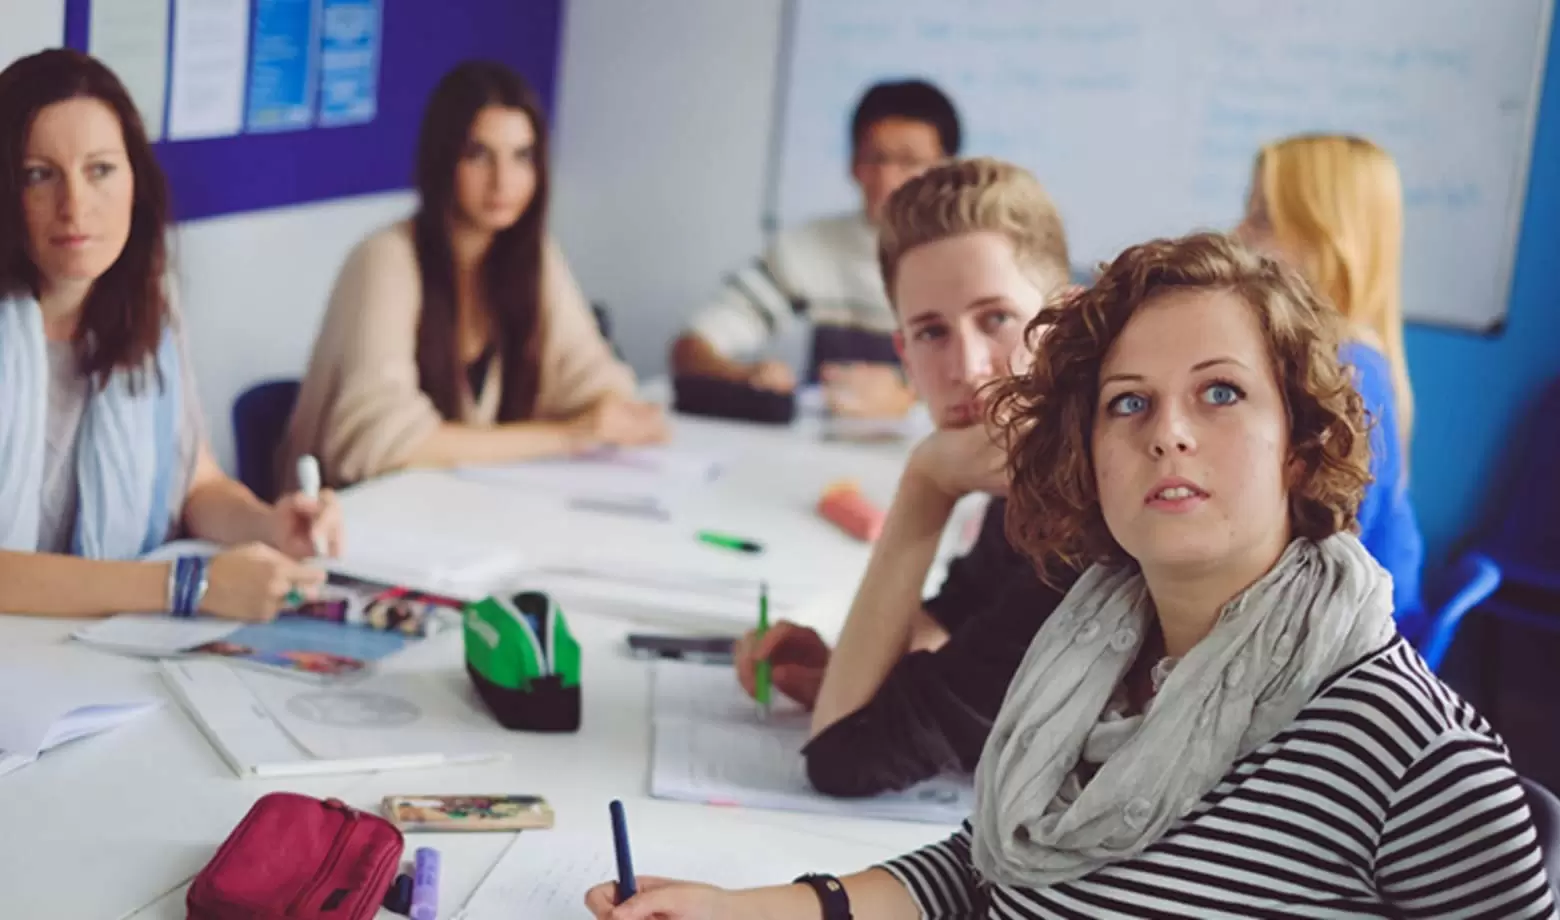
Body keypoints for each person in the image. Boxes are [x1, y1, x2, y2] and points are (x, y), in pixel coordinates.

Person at [586, 232, 1556, 919]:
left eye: (1221, 392)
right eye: (1127, 402)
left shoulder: (1397, 739)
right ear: (1088, 454)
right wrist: (750, 908)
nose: (1168, 430)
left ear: (1299, 446)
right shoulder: (1092, 643)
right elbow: (1001, 867)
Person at [731, 157, 1076, 797]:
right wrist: (842, 666)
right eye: (931, 332)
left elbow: (843, 757)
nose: (968, 367)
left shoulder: (1093, 532)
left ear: (1065, 318)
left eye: (996, 318)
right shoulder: (1027, 481)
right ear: (903, 354)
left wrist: (924, 485)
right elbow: (950, 625)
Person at [0, 49, 338, 622]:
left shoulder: (148, 310)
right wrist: (186, 587)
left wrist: (268, 524)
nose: (75, 206)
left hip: (100, 657)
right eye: (40, 175)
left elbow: (192, 483)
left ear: (136, 180)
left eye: (100, 169)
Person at [282, 61, 666, 491]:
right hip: (350, 523)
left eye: (522, 157)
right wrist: (569, 435)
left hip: (457, 512)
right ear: (443, 159)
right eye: (478, 155)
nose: (503, 181)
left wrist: (609, 410)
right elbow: (382, 443)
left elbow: (591, 377)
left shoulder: (533, 257)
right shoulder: (386, 260)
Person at [670, 79, 961, 419]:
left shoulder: (975, 260)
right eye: (874, 158)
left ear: (948, 171)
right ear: (852, 165)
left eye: (909, 162)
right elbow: (691, 347)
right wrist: (744, 377)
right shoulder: (812, 248)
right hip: (825, 451)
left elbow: (1011, 380)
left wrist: (910, 395)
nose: (887, 178)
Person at [1236, 133, 1424, 623]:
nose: (1237, 233)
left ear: (1330, 242)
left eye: (1262, 219)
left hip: (1349, 636)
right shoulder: (1350, 359)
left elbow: (1309, 563)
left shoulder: (1351, 380)